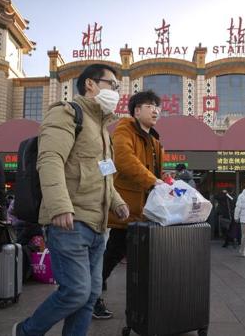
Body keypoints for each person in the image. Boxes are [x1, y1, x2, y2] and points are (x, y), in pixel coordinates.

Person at [13, 64, 129, 336]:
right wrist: (60, 206)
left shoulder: (103, 129)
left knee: (89, 297)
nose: (115, 91)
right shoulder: (66, 113)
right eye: (112, 84)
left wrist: (118, 202)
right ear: (90, 84)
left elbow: (104, 175)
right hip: (70, 221)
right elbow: (50, 159)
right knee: (75, 292)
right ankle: (26, 331)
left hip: (98, 226)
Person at [94, 90, 164, 319]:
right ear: (136, 110)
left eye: (157, 106)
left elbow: (155, 173)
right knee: (115, 253)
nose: (156, 110)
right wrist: (154, 181)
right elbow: (124, 160)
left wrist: (164, 184)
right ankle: (93, 296)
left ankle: (141, 305)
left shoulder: (154, 139)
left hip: (146, 210)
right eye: (150, 105)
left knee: (127, 256)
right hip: (127, 207)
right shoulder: (125, 128)